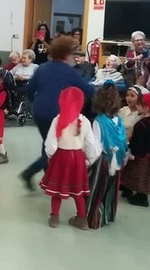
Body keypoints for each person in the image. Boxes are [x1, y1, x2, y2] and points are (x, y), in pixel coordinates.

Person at [20, 36, 94, 191]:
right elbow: (88, 90)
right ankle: (31, 172)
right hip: (57, 114)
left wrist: (37, 102)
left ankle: (48, 178)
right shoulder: (69, 72)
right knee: (56, 147)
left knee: (48, 142)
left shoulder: (42, 68)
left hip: (39, 112)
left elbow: (29, 90)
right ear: (67, 54)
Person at [40, 87, 100, 230]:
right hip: (78, 159)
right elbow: (91, 144)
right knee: (78, 191)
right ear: (81, 103)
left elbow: (50, 142)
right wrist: (89, 159)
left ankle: (54, 217)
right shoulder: (85, 121)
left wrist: (50, 155)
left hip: (61, 157)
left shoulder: (58, 119)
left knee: (57, 189)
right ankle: (82, 219)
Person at [87, 83, 126, 229]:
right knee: (110, 190)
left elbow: (96, 146)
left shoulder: (99, 121)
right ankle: (108, 216)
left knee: (97, 191)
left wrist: (88, 162)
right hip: (116, 161)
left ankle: (94, 219)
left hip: (102, 162)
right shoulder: (119, 120)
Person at [122, 93, 150, 207]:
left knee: (138, 175)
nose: (137, 106)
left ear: (147, 108)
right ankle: (141, 195)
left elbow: (138, 142)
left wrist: (132, 152)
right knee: (146, 176)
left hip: (141, 155)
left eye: (140, 105)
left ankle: (141, 198)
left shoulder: (141, 124)